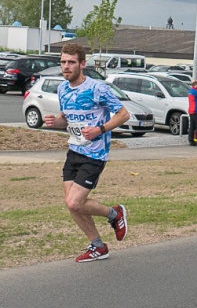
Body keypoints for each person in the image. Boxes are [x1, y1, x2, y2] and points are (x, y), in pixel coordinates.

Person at [42, 44, 131, 262]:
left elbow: (124, 114)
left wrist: (99, 129)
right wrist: (57, 121)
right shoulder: (63, 89)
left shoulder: (97, 88)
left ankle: (115, 214)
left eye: (71, 62)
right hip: (73, 150)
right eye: (63, 62)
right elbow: (67, 118)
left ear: (82, 64)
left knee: (74, 203)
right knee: (71, 204)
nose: (66, 66)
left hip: (94, 154)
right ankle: (98, 246)